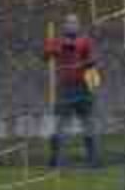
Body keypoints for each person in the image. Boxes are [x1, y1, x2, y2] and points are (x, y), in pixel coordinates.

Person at [43, 13, 100, 167]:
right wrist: (51, 48)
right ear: (64, 26)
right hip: (65, 89)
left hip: (83, 88)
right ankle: (55, 159)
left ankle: (93, 159)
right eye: (69, 23)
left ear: (78, 26)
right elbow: (47, 55)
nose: (71, 25)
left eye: (74, 23)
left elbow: (93, 60)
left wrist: (86, 63)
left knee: (88, 124)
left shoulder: (85, 41)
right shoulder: (58, 41)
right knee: (60, 125)